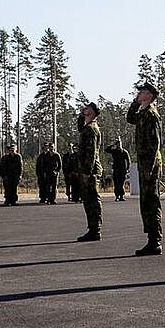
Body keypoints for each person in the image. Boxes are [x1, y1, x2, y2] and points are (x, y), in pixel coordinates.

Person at [125, 81, 162, 256]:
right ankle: (152, 239)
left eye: (142, 92)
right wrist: (135, 102)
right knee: (146, 201)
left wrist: (149, 166)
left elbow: (155, 143)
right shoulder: (143, 113)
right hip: (145, 163)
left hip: (150, 164)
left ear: (150, 95)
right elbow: (130, 118)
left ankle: (155, 241)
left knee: (151, 201)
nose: (139, 93)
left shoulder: (151, 115)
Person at [73, 101, 104, 242]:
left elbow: (91, 153)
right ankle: (93, 228)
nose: (84, 109)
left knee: (92, 200)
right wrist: (81, 114)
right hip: (88, 169)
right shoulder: (87, 127)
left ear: (92, 112)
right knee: (88, 200)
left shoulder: (91, 129)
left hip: (90, 170)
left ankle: (95, 229)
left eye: (87, 108)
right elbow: (80, 127)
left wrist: (86, 172)